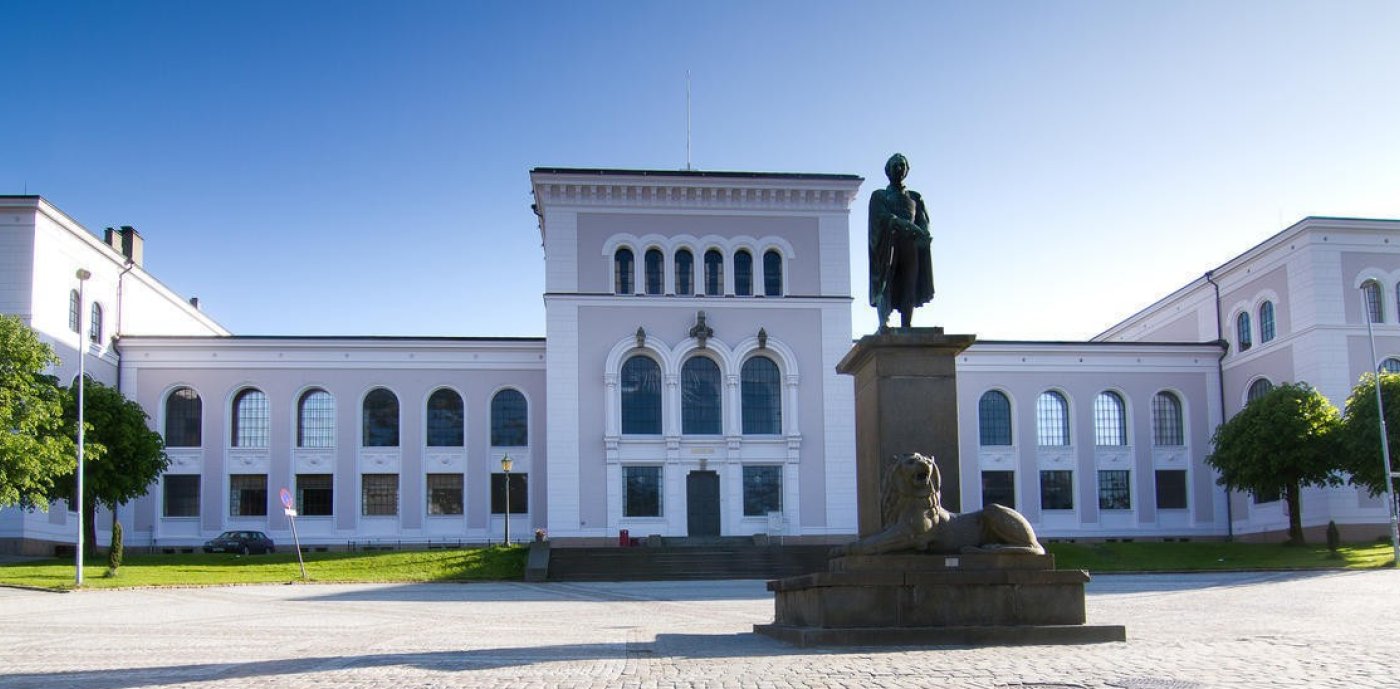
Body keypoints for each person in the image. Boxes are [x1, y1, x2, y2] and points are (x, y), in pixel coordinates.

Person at [868, 153, 934, 330]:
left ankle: (907, 324)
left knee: (909, 283)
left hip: (911, 246)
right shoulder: (880, 196)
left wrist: (924, 234)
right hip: (888, 244)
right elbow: (881, 217)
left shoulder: (915, 197)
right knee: (885, 281)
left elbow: (923, 220)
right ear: (887, 171)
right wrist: (903, 223)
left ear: (907, 170)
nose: (899, 169)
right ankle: (884, 322)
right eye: (895, 166)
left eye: (902, 166)